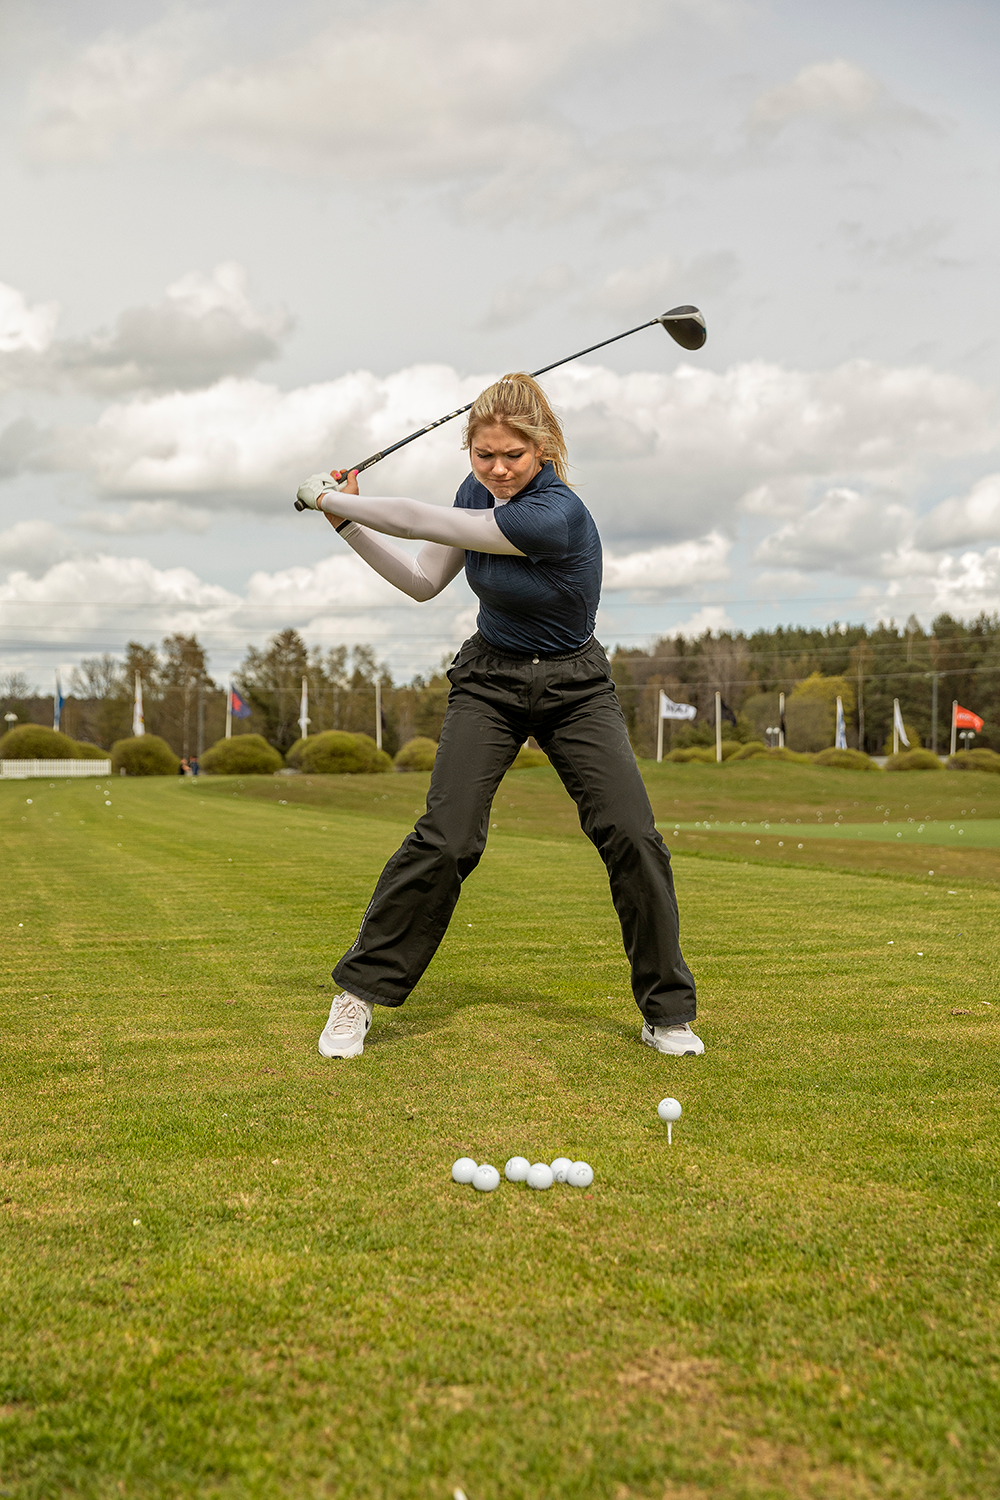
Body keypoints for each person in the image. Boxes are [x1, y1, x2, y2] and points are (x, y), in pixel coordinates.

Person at [295, 374, 702, 1061]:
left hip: (575, 685)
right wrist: (345, 522)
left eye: (513, 455)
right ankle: (357, 996)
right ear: (470, 451)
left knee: (632, 834)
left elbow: (427, 523)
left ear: (544, 449)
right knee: (447, 838)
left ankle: (666, 1014)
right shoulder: (475, 492)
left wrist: (330, 495)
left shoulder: (555, 513)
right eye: (484, 455)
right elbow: (424, 581)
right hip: (491, 679)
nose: (498, 469)